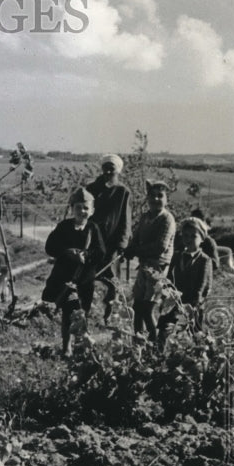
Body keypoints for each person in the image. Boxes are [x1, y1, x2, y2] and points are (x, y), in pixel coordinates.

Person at [42, 187, 105, 357]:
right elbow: (50, 247)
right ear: (72, 208)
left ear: (92, 211)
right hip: (66, 278)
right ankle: (66, 347)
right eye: (78, 207)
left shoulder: (93, 228)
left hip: (85, 279)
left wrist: (86, 255)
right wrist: (67, 252)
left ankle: (81, 345)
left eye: (86, 208)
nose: (82, 211)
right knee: (67, 313)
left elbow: (100, 252)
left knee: (83, 311)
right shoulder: (64, 227)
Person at [125, 180, 177, 344]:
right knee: (136, 308)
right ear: (147, 198)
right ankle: (138, 344)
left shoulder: (167, 219)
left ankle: (156, 346)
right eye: (152, 196)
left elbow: (160, 247)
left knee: (148, 309)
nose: (155, 199)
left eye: (160, 196)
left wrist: (136, 251)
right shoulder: (146, 217)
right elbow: (137, 237)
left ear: (166, 198)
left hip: (158, 268)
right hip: (144, 266)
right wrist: (129, 248)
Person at [85, 153, 132, 322]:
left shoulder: (122, 192)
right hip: (92, 242)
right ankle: (85, 311)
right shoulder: (91, 189)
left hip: (111, 244)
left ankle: (110, 314)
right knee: (88, 276)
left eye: (111, 169)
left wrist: (122, 243)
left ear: (117, 171)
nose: (107, 172)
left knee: (111, 280)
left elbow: (125, 220)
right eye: (105, 168)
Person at [157, 217, 214, 347]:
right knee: (164, 331)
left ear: (201, 238)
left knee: (192, 335)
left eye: (193, 236)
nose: (188, 239)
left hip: (191, 306)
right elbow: (169, 280)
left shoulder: (204, 260)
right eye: (185, 235)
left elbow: (202, 286)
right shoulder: (177, 256)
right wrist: (165, 297)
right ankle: (160, 357)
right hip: (174, 302)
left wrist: (192, 306)